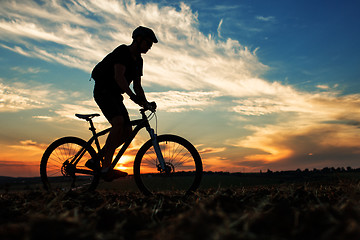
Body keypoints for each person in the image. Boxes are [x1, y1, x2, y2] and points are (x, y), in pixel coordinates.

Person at [86, 26, 158, 181]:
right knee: (118, 122)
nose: (149, 47)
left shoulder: (139, 61)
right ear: (138, 40)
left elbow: (137, 86)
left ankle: (96, 159)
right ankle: (106, 168)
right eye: (148, 43)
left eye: (151, 44)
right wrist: (132, 97)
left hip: (116, 95)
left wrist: (146, 103)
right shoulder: (122, 52)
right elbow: (119, 77)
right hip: (103, 91)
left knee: (127, 132)